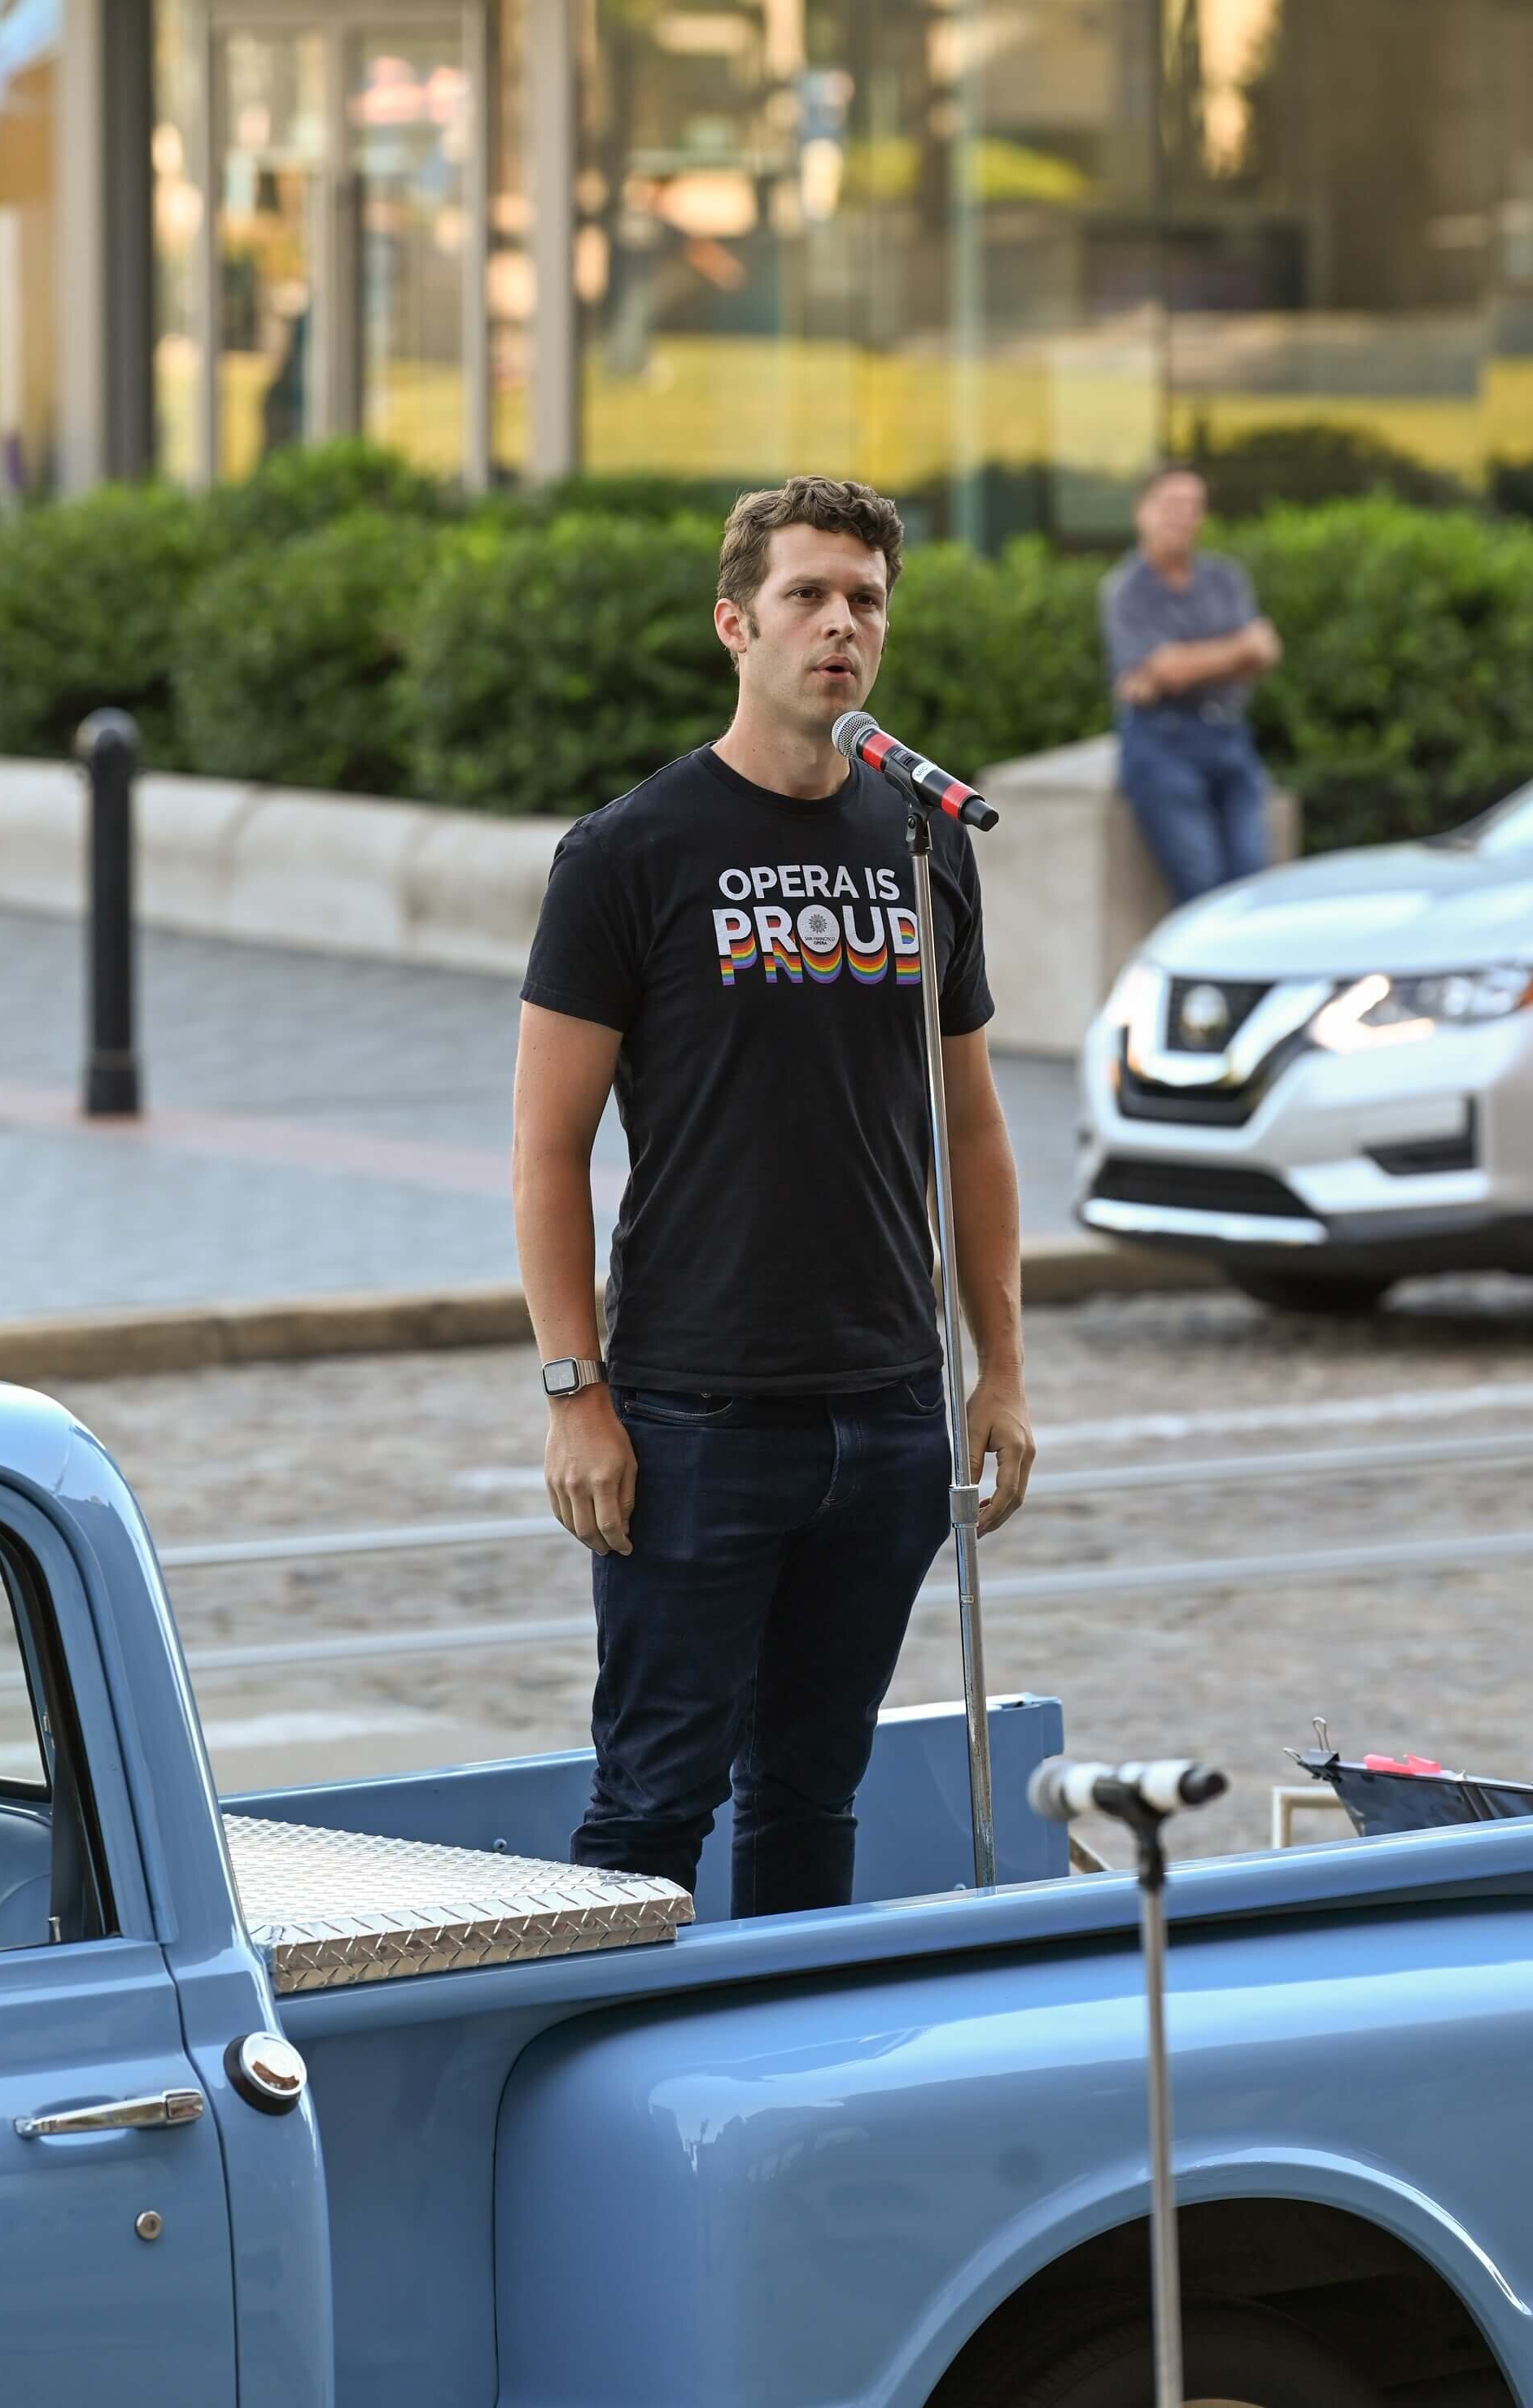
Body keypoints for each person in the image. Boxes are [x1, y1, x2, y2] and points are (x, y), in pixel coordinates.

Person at [512, 475, 1035, 1920]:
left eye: (865, 599)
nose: (840, 625)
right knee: (654, 1796)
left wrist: (998, 1372)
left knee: (813, 1793)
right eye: (807, 595)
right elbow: (548, 1145)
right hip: (694, 1413)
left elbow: (974, 1128)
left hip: (883, 1412)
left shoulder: (923, 844)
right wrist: (576, 1393)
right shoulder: (631, 852)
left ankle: (795, 2108)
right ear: (737, 623)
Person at [1101, 464, 1284, 904]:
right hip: (1162, 746)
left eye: (1193, 506)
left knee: (1251, 885)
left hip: (1230, 736)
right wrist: (1237, 649)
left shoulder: (1224, 577)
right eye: (1171, 505)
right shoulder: (1126, 589)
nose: (1183, 516)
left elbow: (1267, 651)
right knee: (1200, 887)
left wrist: (1180, 664)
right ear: (1142, 512)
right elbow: (1168, 670)